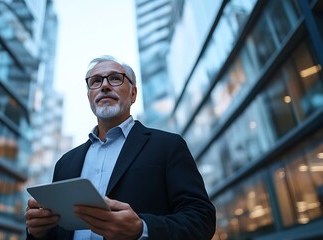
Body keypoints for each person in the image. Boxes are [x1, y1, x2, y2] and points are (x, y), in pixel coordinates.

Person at [25, 55, 216, 240]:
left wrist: (142, 228)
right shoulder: (65, 163)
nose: (105, 85)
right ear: (89, 96)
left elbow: (201, 219)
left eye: (115, 79)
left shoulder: (168, 146)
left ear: (133, 94)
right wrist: (39, 232)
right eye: (96, 81)